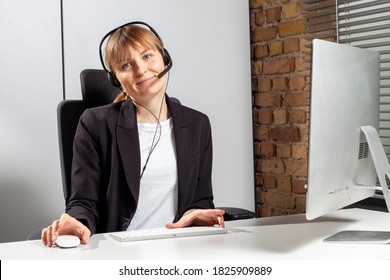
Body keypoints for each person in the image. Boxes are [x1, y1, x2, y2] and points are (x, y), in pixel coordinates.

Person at [42, 22, 225, 247]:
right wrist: (75, 222)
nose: (141, 70)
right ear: (116, 79)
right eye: (126, 64)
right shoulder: (95, 124)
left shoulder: (197, 124)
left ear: (164, 58)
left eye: (147, 56)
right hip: (116, 251)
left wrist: (197, 213)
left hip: (178, 248)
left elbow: (201, 197)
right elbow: (83, 201)